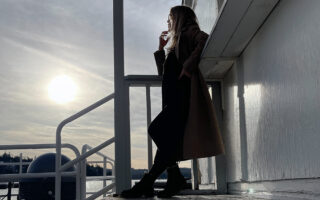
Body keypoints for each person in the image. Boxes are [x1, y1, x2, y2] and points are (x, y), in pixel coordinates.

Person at [121, 5, 225, 198]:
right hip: (173, 99)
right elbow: (164, 74)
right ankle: (159, 181)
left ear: (178, 18)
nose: (167, 21)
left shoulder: (189, 31)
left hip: (182, 99)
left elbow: (204, 39)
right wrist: (161, 49)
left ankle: (164, 179)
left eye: (169, 17)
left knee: (156, 130)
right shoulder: (176, 42)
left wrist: (189, 64)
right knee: (166, 146)